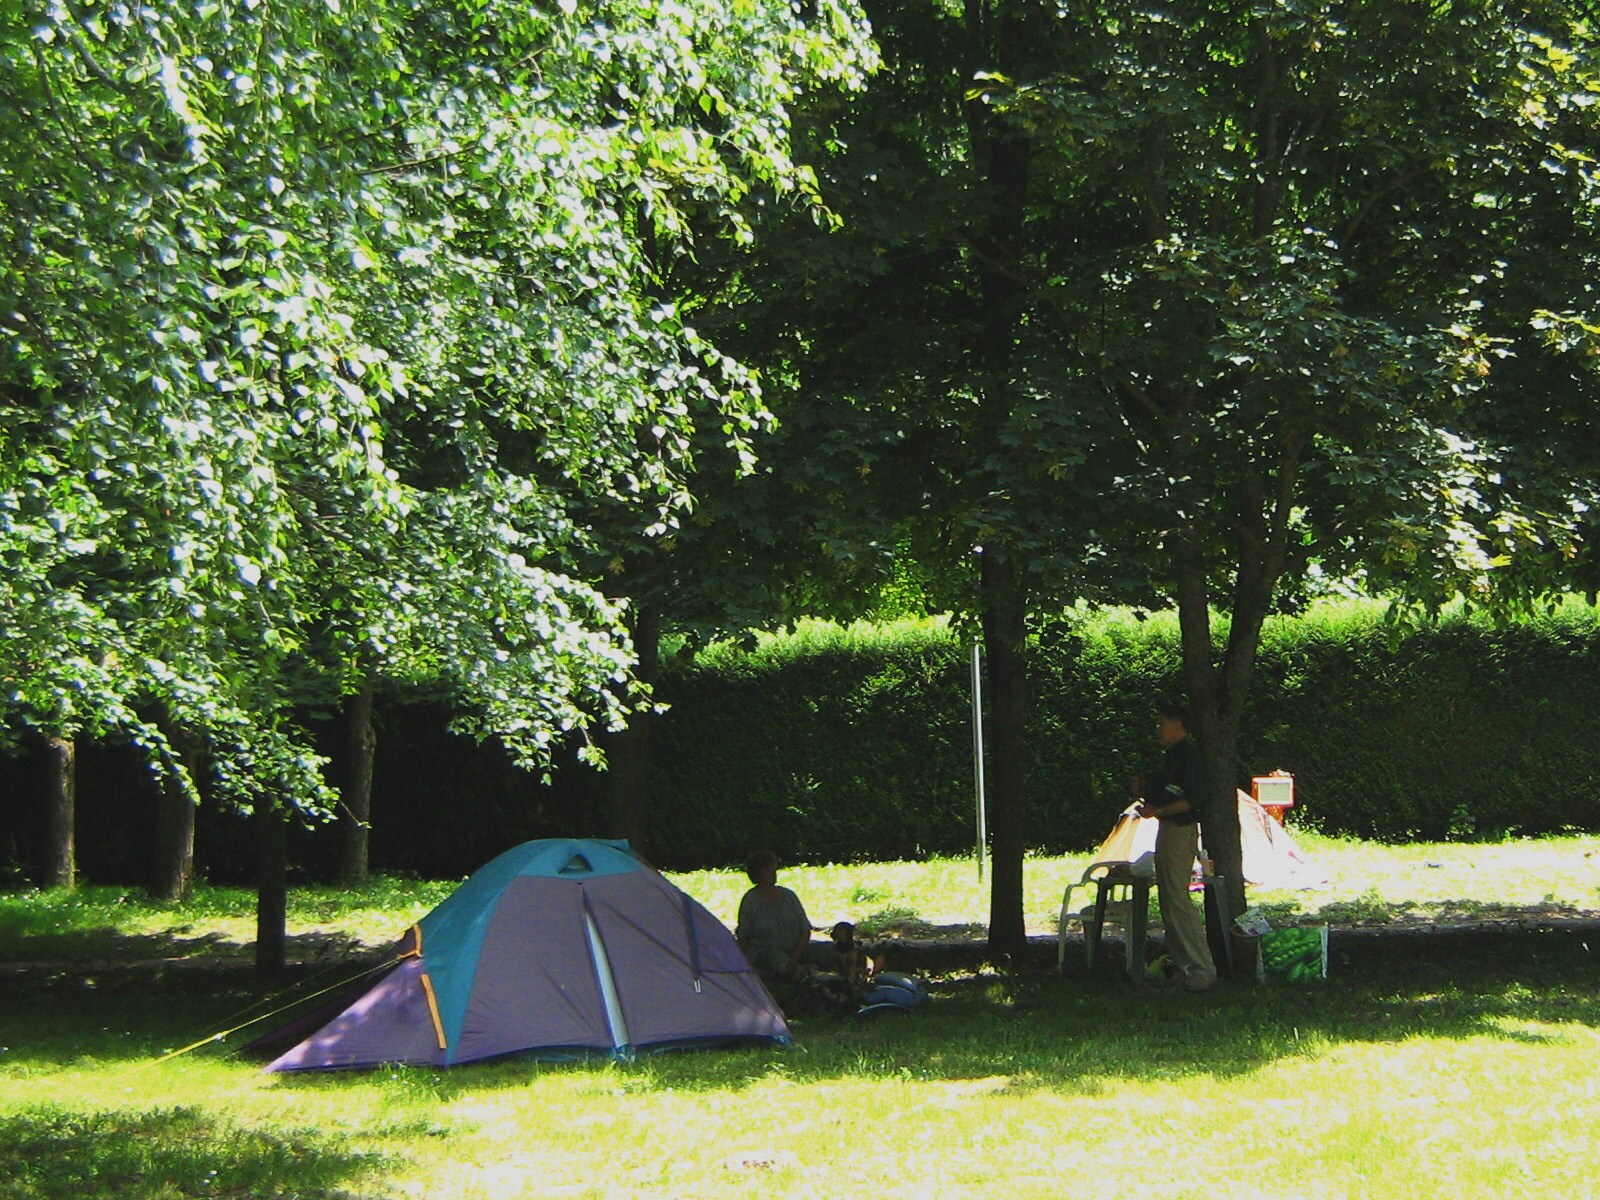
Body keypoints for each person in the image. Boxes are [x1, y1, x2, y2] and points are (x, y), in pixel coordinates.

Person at [1130, 701, 1218, 993]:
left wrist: (1160, 812)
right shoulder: (1170, 758)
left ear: (1178, 724)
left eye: (1162, 723)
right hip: (1167, 828)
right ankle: (1184, 970)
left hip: (1179, 830)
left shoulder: (1189, 756)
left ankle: (1202, 970)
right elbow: (1166, 793)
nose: (1158, 729)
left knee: (1177, 900)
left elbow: (1193, 799)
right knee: (1168, 900)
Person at [734, 850, 832, 984]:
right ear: (757, 873)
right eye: (767, 869)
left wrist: (795, 957)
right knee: (775, 957)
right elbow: (744, 937)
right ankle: (803, 982)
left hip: (795, 949)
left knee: (829, 950)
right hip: (766, 953)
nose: (772, 871)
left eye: (773, 868)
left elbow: (805, 930)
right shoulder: (750, 901)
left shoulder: (789, 896)